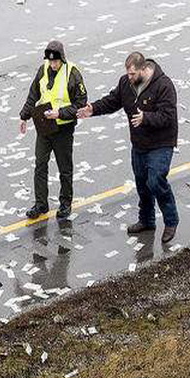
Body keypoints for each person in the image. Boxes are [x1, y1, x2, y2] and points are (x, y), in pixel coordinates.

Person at [78, 52, 179, 243]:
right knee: (142, 184)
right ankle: (147, 221)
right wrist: (93, 109)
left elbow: (168, 116)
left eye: (133, 74)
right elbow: (113, 101)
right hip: (139, 143)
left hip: (161, 143)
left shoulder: (164, 85)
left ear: (144, 69)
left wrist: (146, 118)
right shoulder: (126, 83)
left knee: (156, 180)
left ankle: (171, 221)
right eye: (128, 74)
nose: (129, 77)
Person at [20, 40, 87, 220]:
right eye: (50, 61)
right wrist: (24, 116)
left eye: (56, 61)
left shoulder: (72, 73)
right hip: (44, 125)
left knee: (64, 168)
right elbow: (33, 94)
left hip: (63, 128)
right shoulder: (43, 70)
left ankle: (65, 203)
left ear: (62, 59)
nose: (53, 64)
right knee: (40, 164)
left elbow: (80, 105)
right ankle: (41, 204)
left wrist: (60, 113)